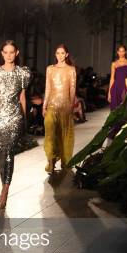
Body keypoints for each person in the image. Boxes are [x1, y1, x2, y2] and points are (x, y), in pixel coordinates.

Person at [0, 40, 31, 208]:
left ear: (16, 53)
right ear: (2, 53)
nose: (9, 55)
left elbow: (22, 97)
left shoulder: (22, 73)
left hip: (15, 116)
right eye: (6, 52)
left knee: (8, 152)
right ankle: (5, 181)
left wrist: (24, 119)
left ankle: (5, 189)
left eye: (12, 52)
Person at [43, 44, 77, 174]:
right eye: (58, 53)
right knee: (50, 133)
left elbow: (72, 89)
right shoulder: (50, 69)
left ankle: (65, 161)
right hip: (51, 105)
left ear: (66, 55)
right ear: (55, 54)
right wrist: (44, 105)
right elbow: (47, 88)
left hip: (65, 106)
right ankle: (51, 161)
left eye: (62, 53)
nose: (60, 55)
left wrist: (71, 106)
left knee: (64, 135)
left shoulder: (71, 69)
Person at [107, 45, 127, 141]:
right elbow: (112, 78)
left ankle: (125, 132)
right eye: (119, 51)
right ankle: (114, 132)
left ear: (125, 52)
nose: (121, 53)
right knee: (115, 109)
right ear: (117, 52)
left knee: (126, 108)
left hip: (125, 87)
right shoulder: (114, 64)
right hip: (115, 88)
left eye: (123, 51)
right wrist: (109, 93)